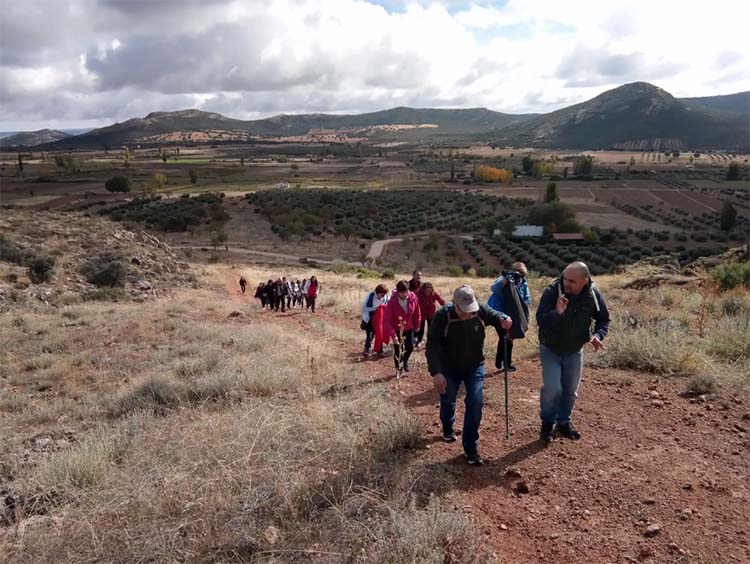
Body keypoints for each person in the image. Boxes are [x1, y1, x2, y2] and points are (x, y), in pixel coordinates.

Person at [426, 285, 512, 465]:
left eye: (470, 310)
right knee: (448, 400)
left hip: (475, 366)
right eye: (464, 311)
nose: (468, 314)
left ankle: (470, 448)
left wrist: (504, 319)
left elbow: (496, 316)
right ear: (454, 304)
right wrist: (436, 372)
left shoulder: (480, 310)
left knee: (475, 402)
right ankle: (448, 427)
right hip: (448, 367)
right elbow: (432, 345)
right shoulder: (443, 316)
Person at [536, 261, 610, 444]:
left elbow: (604, 320)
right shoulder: (552, 291)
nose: (566, 283)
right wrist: (557, 313)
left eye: (571, 281)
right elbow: (541, 320)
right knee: (553, 388)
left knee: (570, 391)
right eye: (564, 278)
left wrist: (597, 335)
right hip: (551, 348)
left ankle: (563, 422)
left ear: (584, 281)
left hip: (575, 349)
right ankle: (547, 423)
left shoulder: (593, 294)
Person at [488, 262, 531, 372]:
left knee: (509, 338)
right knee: (505, 336)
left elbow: (526, 299)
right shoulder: (504, 278)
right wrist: (503, 282)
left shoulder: (523, 283)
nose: (520, 277)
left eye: (522, 275)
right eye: (519, 274)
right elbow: (494, 289)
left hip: (513, 314)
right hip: (499, 312)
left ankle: (505, 361)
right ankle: (503, 361)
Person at [383, 280, 420, 375]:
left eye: (406, 291)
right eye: (402, 292)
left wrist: (417, 325)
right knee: (398, 349)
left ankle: (405, 361)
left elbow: (417, 312)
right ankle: (398, 368)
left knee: (410, 347)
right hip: (397, 329)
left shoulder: (413, 297)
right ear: (398, 291)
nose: (405, 294)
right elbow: (386, 320)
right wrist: (393, 335)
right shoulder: (392, 301)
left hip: (409, 327)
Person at [361, 284, 389, 357]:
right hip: (369, 318)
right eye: (382, 295)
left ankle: (380, 351)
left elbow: (389, 304)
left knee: (380, 333)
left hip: (380, 319)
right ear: (377, 293)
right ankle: (367, 349)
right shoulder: (370, 296)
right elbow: (364, 308)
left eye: (384, 295)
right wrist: (375, 308)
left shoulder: (386, 297)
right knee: (370, 334)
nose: (383, 296)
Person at [415, 282, 445, 349]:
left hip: (431, 314)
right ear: (423, 290)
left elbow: (441, 301)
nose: (428, 292)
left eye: (429, 291)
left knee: (431, 329)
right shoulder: (419, 294)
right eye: (427, 291)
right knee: (421, 329)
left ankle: (429, 342)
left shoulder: (434, 294)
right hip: (421, 314)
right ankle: (419, 341)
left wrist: (446, 306)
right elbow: (413, 301)